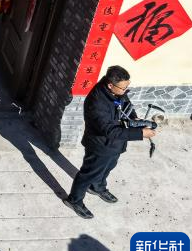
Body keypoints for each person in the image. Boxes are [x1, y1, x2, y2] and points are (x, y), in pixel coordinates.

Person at [63, 65, 155, 219]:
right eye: (123, 88)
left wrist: (135, 119)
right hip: (100, 145)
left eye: (127, 87)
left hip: (116, 144)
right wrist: (140, 133)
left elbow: (126, 104)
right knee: (88, 173)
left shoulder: (117, 92)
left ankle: (97, 187)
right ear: (110, 85)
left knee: (109, 167)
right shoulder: (97, 102)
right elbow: (110, 131)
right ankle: (74, 200)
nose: (125, 91)